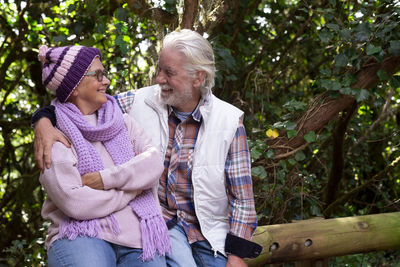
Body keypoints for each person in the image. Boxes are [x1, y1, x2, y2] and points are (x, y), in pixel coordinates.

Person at [32, 29, 262, 267]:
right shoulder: (136, 101)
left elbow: (242, 199)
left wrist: (236, 255)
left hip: (209, 233)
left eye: (169, 72)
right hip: (159, 224)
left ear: (198, 78)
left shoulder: (228, 121)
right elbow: (78, 103)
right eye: (159, 69)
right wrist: (42, 121)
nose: (159, 79)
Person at [36, 44, 170, 267]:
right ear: (74, 87)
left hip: (138, 237)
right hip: (82, 235)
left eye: (104, 74)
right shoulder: (53, 133)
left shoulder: (122, 120)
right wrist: (130, 192)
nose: (106, 81)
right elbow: (75, 202)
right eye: (98, 75)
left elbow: (153, 163)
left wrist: (105, 179)